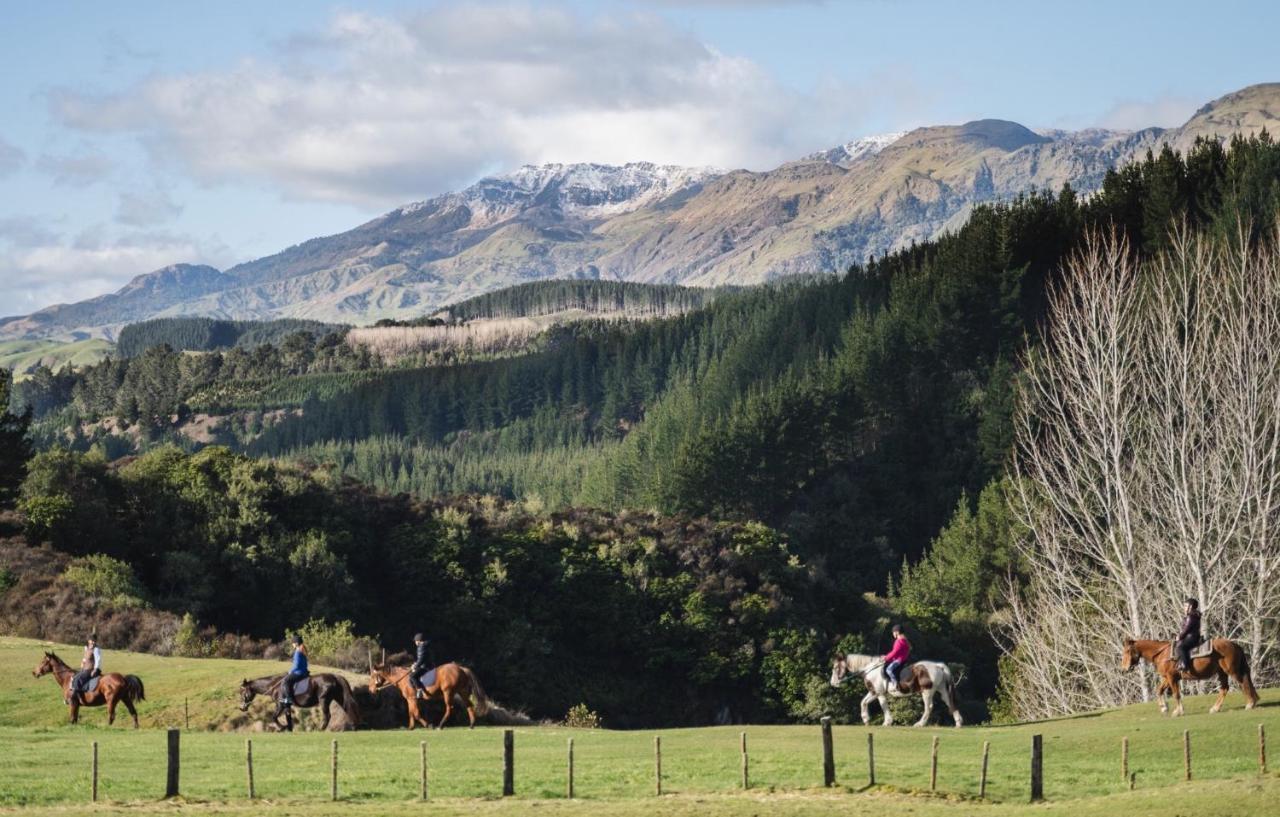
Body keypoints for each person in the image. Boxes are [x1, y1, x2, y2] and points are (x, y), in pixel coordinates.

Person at [68, 634, 102, 706]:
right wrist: (82, 662)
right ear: (88, 641)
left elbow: (98, 660)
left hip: (91, 669)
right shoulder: (87, 648)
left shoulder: (96, 649)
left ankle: (73, 697)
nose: (92, 642)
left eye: (94, 641)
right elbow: (85, 657)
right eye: (91, 640)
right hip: (85, 668)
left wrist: (95, 669)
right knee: (74, 676)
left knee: (78, 679)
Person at [1175, 597, 1202, 672]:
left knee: (1181, 647)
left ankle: (1184, 664)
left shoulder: (1191, 617)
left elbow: (1186, 629)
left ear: (1191, 607)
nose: (1184, 608)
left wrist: (1180, 636)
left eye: (1186, 606)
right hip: (1193, 637)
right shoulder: (1194, 616)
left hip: (1191, 638)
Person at [281, 634, 309, 705]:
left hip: (299, 673)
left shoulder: (297, 652)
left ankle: (289, 699)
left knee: (286, 680)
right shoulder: (302, 650)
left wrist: (290, 671)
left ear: (296, 643)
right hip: (304, 672)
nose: (292, 644)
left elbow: (296, 665)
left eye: (293, 643)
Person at [408, 633, 434, 700]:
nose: (415, 642)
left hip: (425, 667)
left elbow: (421, 659)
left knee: (412, 676)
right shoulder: (426, 645)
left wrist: (415, 666)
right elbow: (422, 658)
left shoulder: (421, 647)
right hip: (429, 664)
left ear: (418, 641)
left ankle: (420, 690)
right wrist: (415, 664)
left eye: (415, 641)